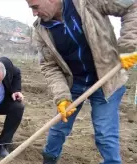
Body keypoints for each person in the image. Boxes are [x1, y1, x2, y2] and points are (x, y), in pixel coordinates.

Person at [25, 0, 137, 163]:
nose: (34, 13)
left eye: (35, 7)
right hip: (74, 84)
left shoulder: (87, 3)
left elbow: (132, 5)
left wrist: (129, 46)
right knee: (58, 129)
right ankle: (49, 159)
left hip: (107, 80)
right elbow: (49, 67)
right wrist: (62, 96)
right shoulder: (41, 30)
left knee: (105, 134)